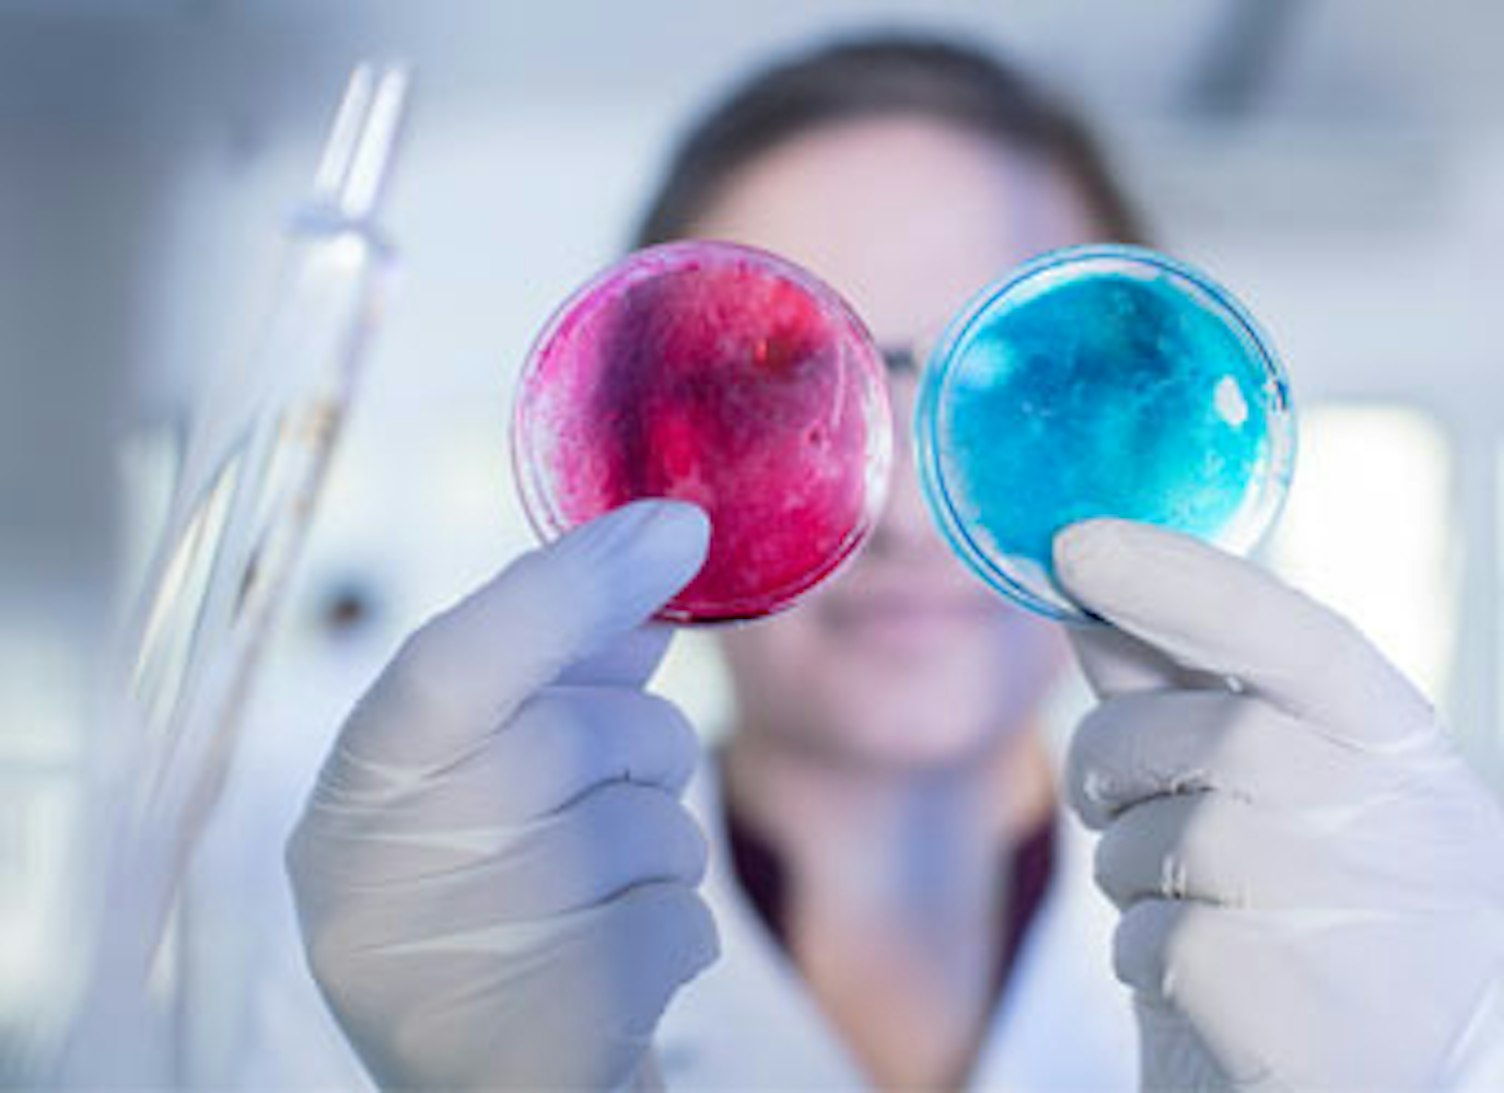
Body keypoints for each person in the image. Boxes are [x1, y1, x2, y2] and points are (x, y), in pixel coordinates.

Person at [286, 34, 1504, 1091]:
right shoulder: (401, 961)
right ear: (640, 434)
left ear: (1148, 422)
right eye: (780, 388)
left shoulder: (1397, 974)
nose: (910, 517)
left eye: (1023, 389)